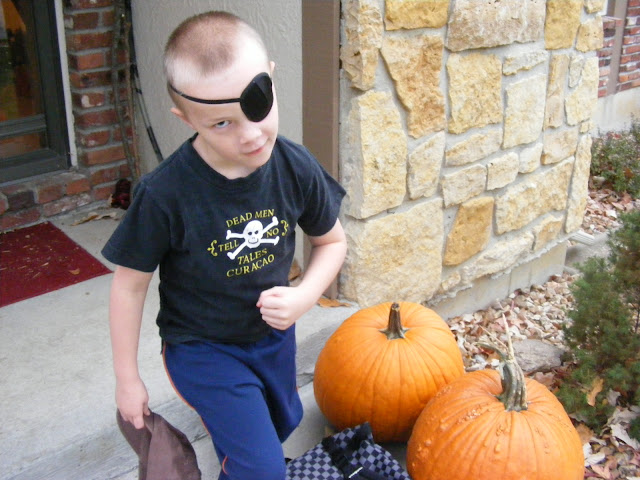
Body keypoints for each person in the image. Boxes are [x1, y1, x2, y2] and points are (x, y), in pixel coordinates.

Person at [102, 11, 347, 480]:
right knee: (263, 467)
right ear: (186, 118)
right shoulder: (165, 194)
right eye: (221, 123)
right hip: (203, 349)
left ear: (270, 77)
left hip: (272, 339)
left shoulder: (294, 166)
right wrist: (126, 379)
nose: (250, 134)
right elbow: (129, 286)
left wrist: (304, 296)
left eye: (257, 104)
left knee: (278, 428)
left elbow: (331, 240)